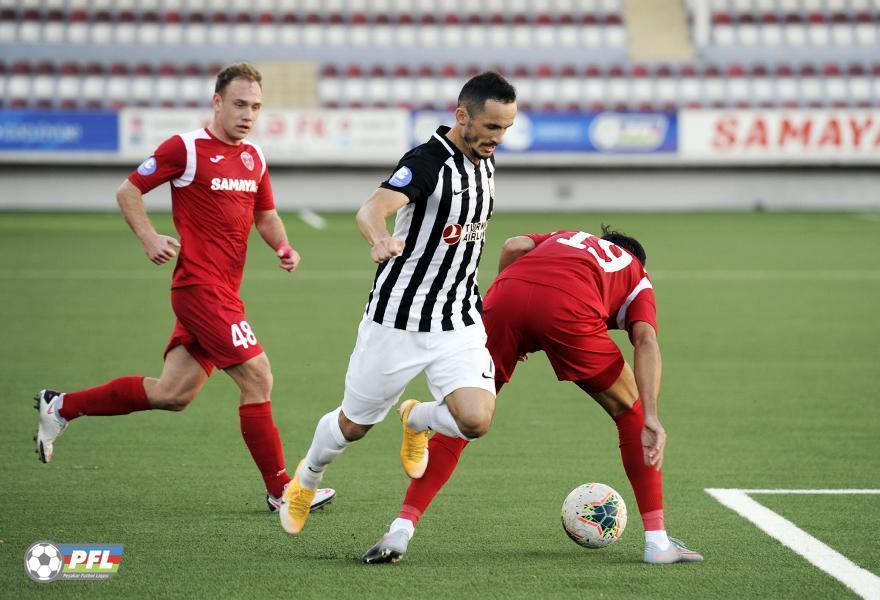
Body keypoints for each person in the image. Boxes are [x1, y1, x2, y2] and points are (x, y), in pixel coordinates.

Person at [33, 62, 334, 514]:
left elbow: (265, 215)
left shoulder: (253, 156)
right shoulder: (186, 148)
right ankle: (282, 490)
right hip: (199, 288)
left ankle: (60, 406)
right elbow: (128, 191)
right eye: (239, 104)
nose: (248, 114)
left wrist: (283, 246)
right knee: (259, 376)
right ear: (217, 102)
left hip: (225, 292)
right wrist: (149, 238)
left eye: (255, 106)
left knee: (172, 394)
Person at [362, 227, 703, 565]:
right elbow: (645, 340)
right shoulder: (637, 274)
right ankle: (657, 542)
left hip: (505, 297)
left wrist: (503, 311)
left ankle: (400, 528)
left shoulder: (568, 237)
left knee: (464, 418)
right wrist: (652, 416)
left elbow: (514, 245)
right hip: (570, 309)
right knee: (632, 413)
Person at [278, 72, 517, 536]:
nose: (498, 138)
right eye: (491, 126)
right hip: (398, 320)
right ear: (462, 116)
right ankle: (306, 479)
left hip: (457, 319)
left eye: (506, 128)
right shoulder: (427, 162)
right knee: (354, 426)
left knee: (475, 420)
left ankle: (417, 418)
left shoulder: (484, 162)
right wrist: (379, 239)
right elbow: (371, 209)